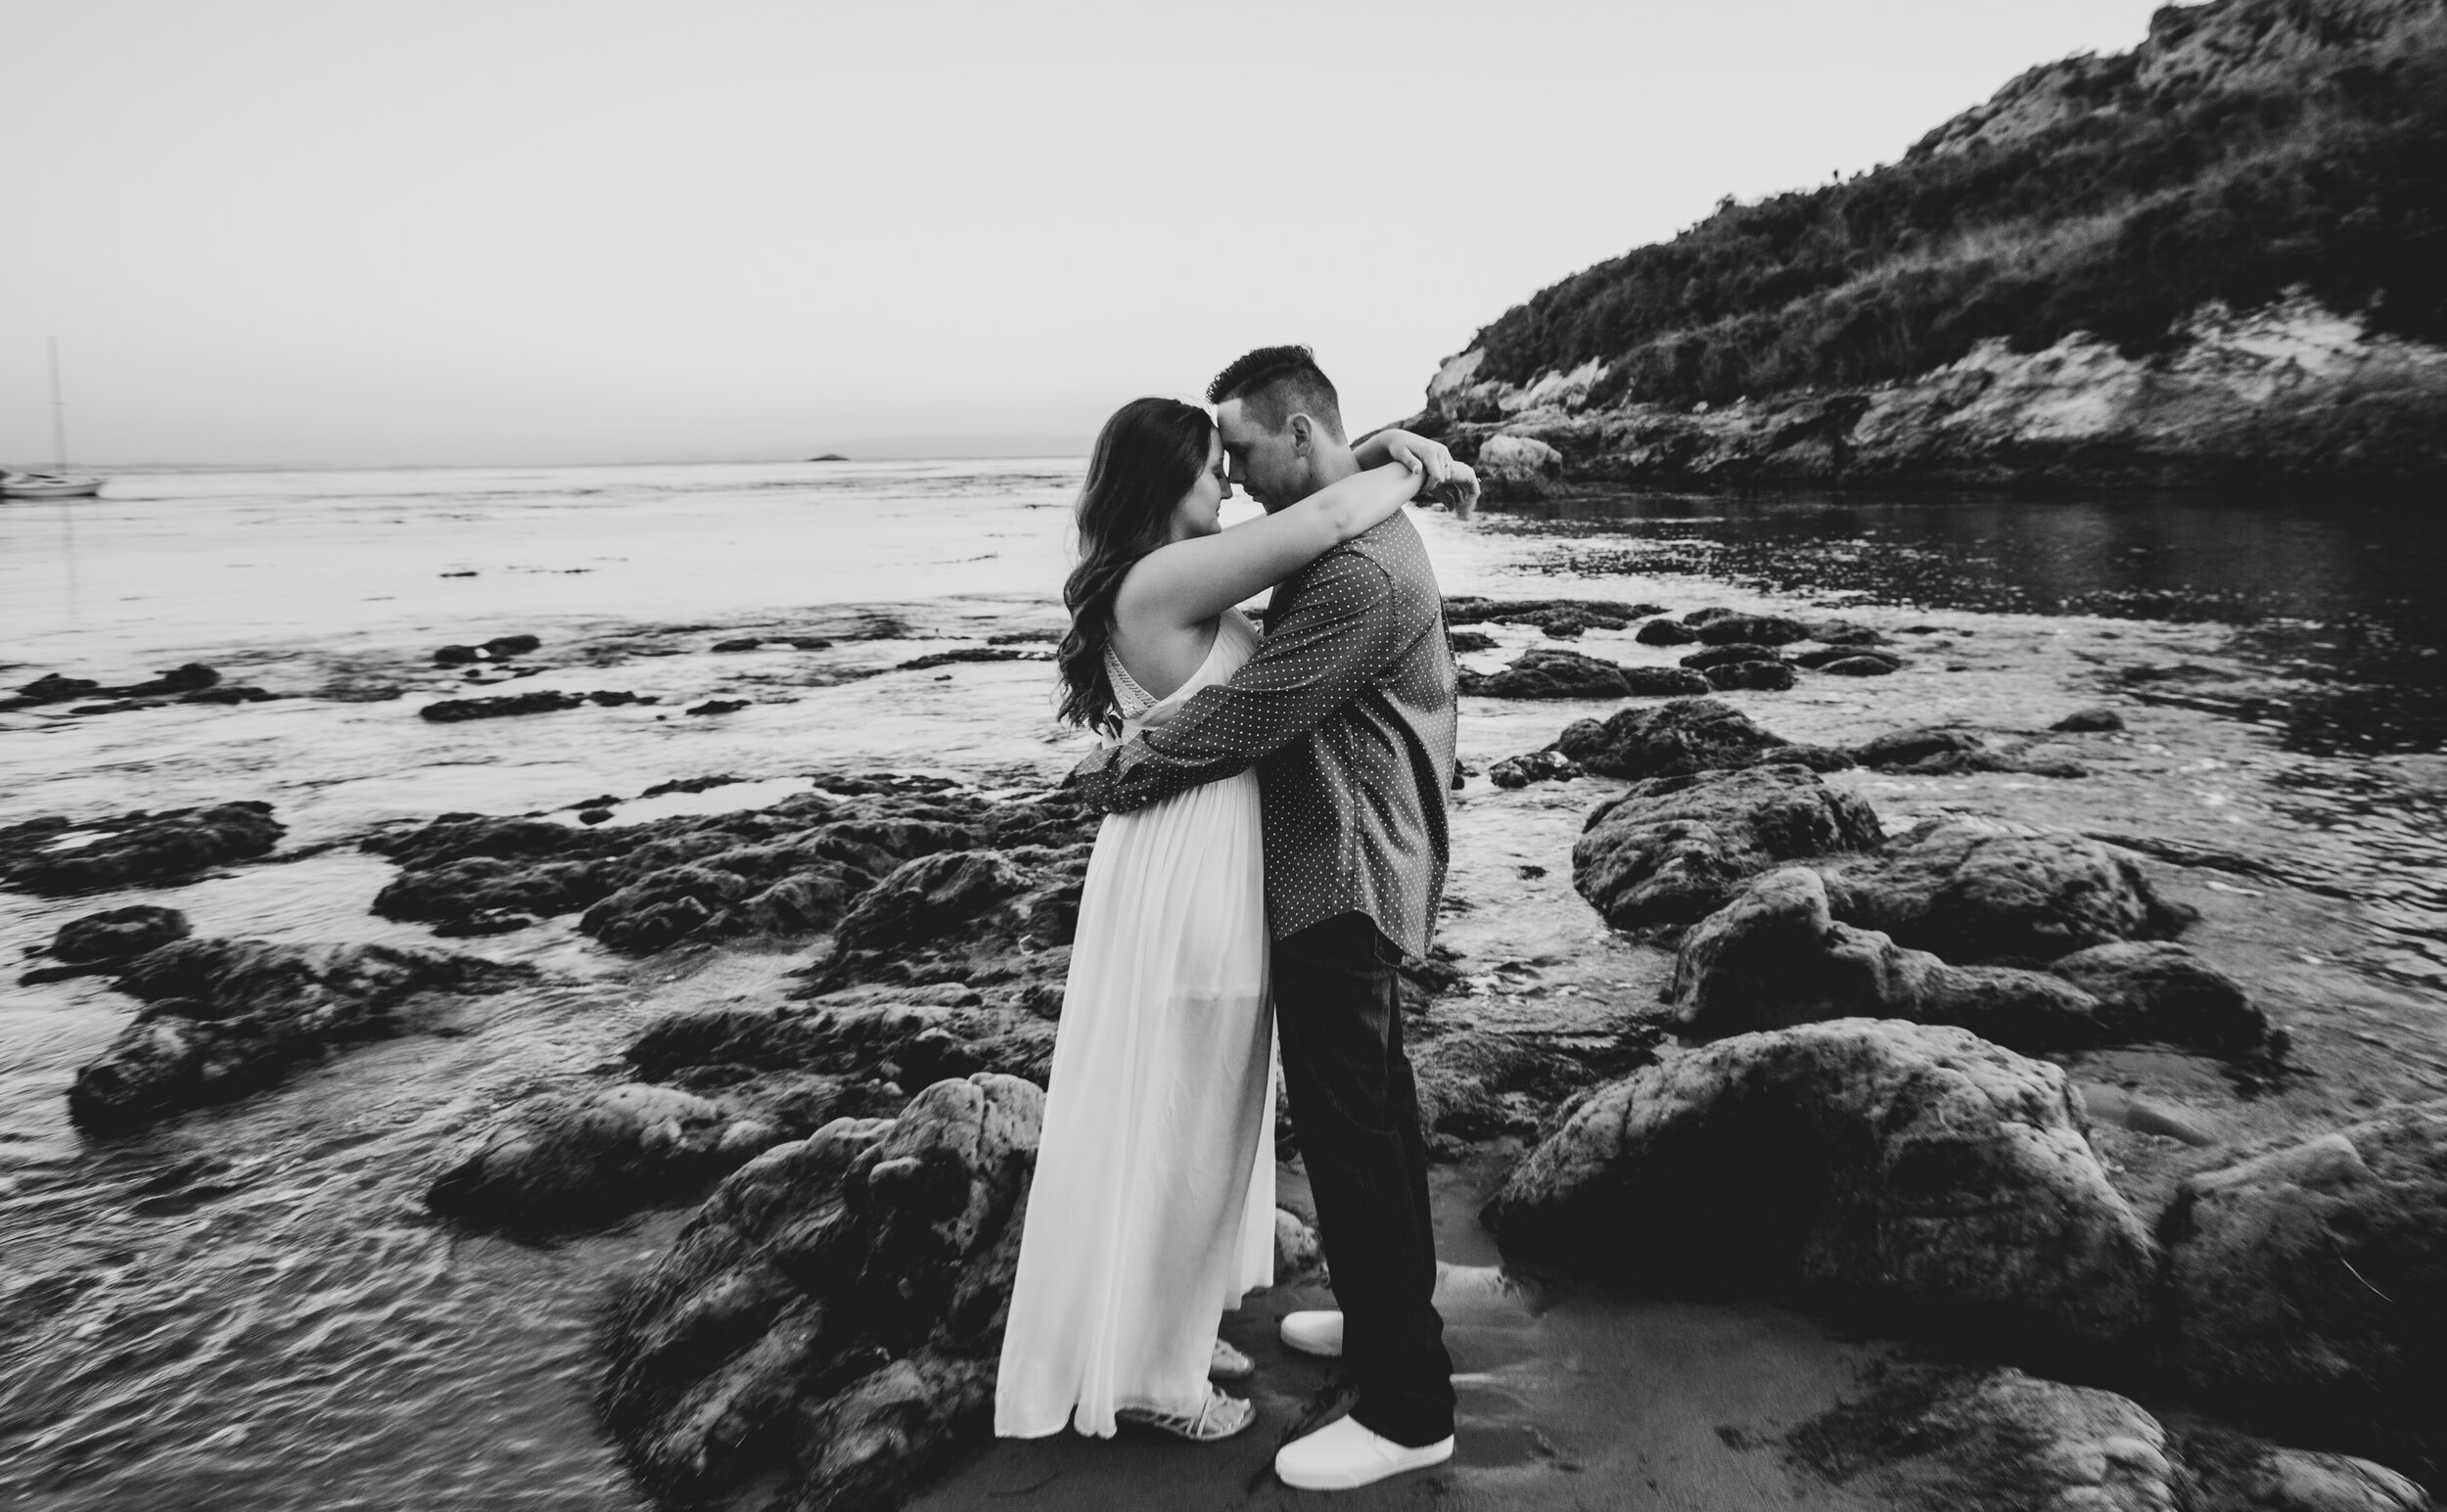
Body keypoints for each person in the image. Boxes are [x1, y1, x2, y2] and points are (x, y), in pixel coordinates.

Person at [993, 384, 1473, 1453]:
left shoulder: (1187, 575)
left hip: (1213, 867)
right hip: (1187, 877)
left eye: (1238, 455)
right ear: (1168, 482)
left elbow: (1310, 505)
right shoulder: (1164, 577)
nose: (1234, 480)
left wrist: (1378, 442)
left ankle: (1160, 1334)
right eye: (1216, 464)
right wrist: (1404, 462)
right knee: (1177, 1125)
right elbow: (1321, 517)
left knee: (1190, 1121)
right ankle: (1154, 1371)